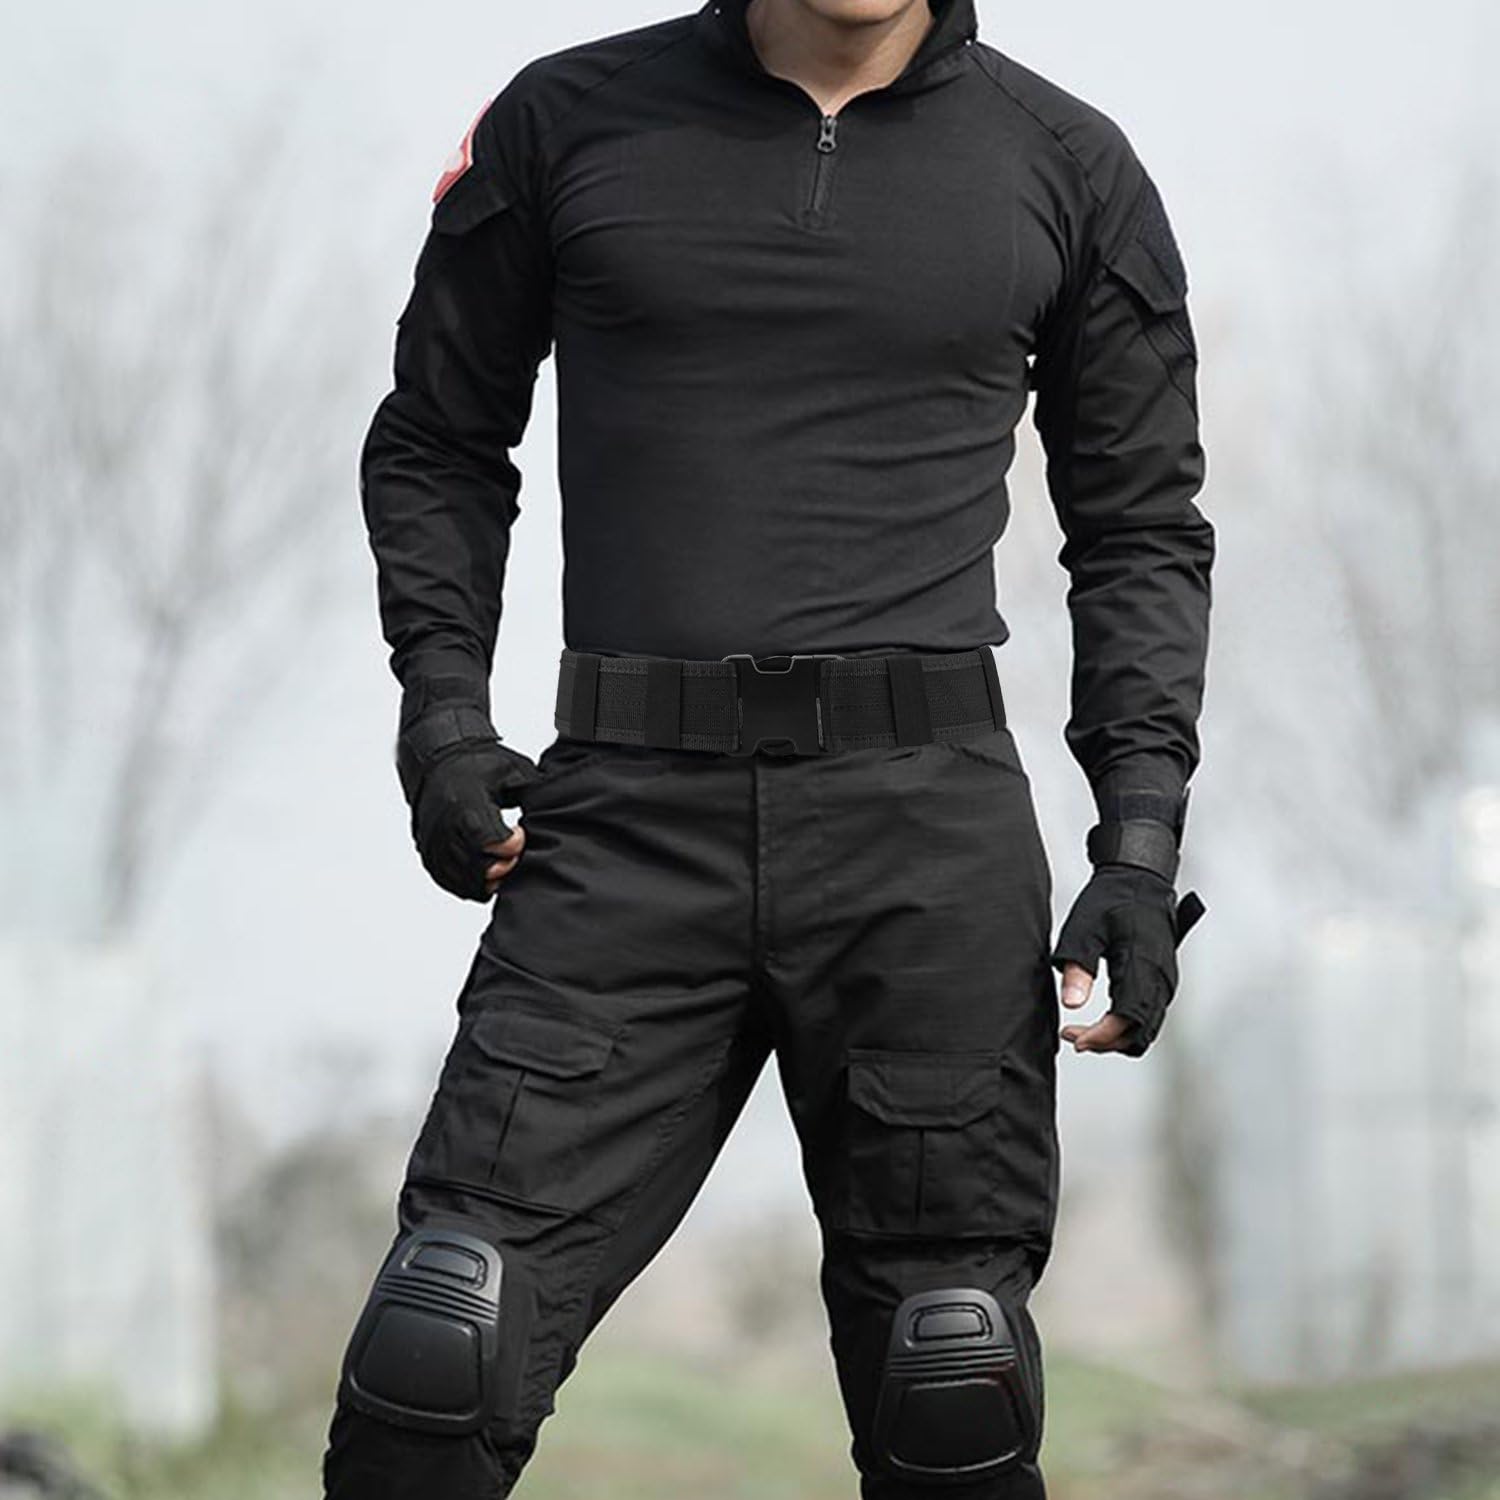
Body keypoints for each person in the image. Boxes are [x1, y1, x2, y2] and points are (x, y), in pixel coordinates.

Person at [322, 0, 1214, 1495]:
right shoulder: (567, 122)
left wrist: (1137, 847)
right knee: (439, 1350)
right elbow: (438, 439)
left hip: (924, 848)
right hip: (625, 825)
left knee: (951, 1383)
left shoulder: (1067, 165)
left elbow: (1139, 530)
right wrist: (444, 715)